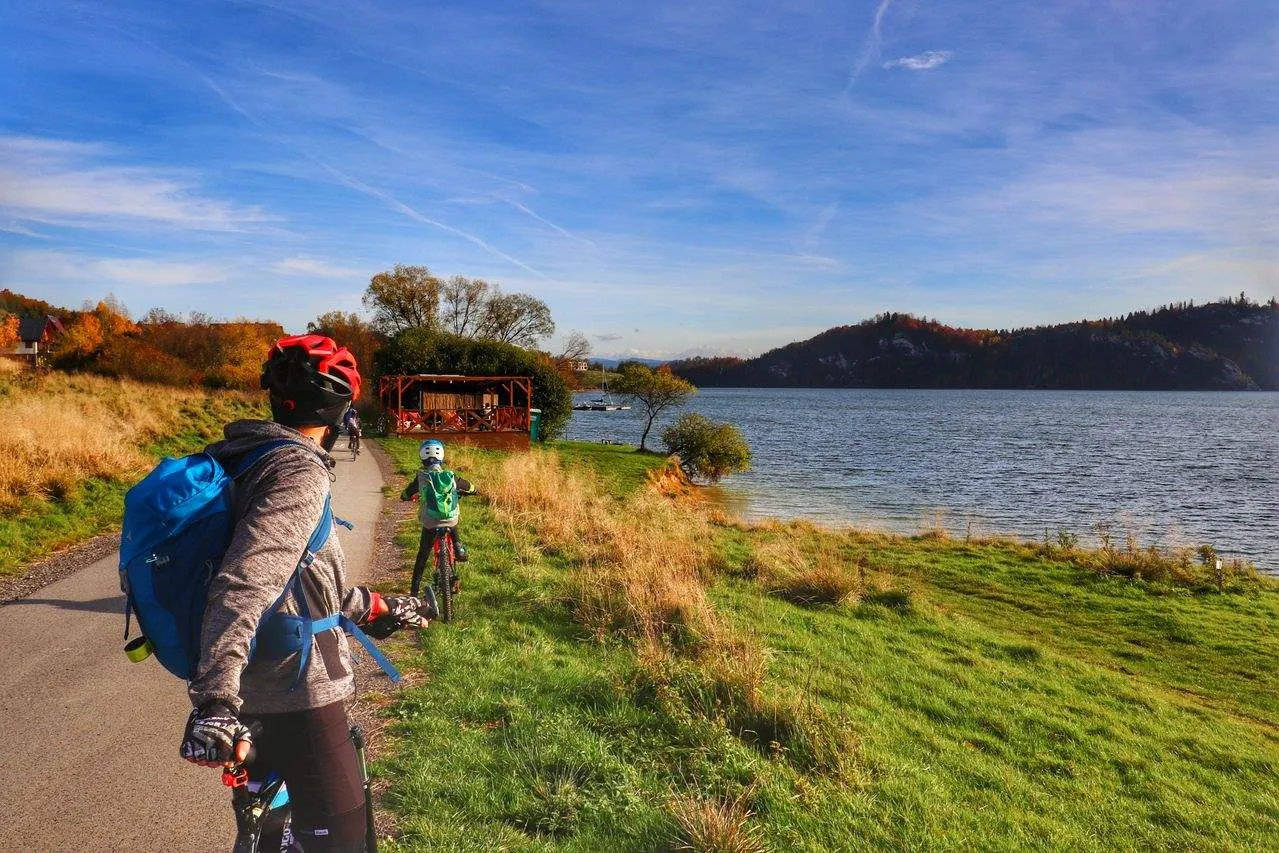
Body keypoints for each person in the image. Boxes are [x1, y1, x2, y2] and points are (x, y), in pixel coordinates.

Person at [179, 334, 434, 853]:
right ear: (340, 409)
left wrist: (380, 606)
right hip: (295, 693)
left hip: (255, 680)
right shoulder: (297, 472)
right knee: (342, 838)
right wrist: (214, 701)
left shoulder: (243, 456)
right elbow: (247, 579)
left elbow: (305, 581)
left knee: (266, 828)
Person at [400, 439, 476, 597]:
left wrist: (404, 496)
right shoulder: (450, 476)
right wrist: (474, 491)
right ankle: (459, 547)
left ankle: (413, 592)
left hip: (430, 522)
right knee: (452, 519)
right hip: (450, 520)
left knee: (422, 555)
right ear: (441, 456)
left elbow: (407, 493)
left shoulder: (421, 477)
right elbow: (469, 487)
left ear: (422, 457)